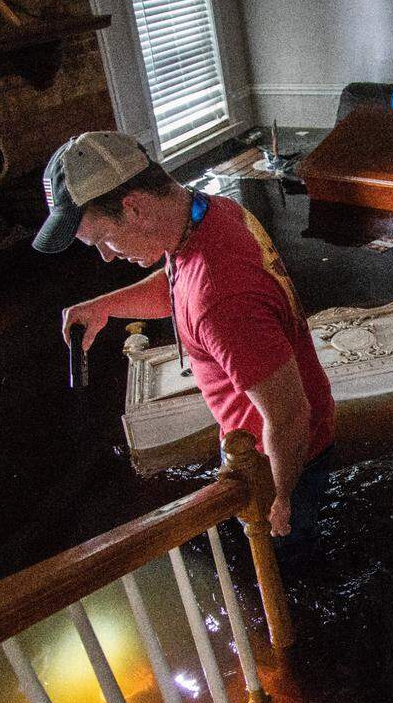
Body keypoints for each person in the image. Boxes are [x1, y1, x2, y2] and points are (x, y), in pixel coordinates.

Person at [32, 132, 335, 549]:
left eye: (102, 239)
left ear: (133, 208)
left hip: (281, 457)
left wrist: (280, 499)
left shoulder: (222, 298)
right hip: (280, 435)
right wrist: (105, 306)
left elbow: (289, 417)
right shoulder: (209, 213)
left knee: (287, 565)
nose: (106, 255)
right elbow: (182, 287)